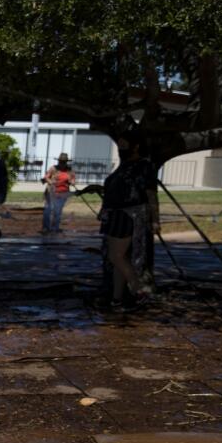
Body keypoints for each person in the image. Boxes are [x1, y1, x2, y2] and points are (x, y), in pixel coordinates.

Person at [78, 131, 158, 310]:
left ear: (135, 146)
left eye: (124, 145)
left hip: (129, 215)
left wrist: (155, 220)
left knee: (116, 256)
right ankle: (117, 299)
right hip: (115, 215)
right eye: (119, 145)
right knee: (117, 259)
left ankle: (139, 290)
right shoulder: (123, 166)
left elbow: (151, 193)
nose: (121, 148)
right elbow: (116, 189)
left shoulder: (143, 165)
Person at [42, 153, 75, 234]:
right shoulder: (53, 169)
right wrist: (51, 182)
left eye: (64, 162)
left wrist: (71, 182)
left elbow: (73, 180)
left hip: (63, 193)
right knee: (48, 210)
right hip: (51, 192)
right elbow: (46, 177)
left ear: (66, 162)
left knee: (57, 211)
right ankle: (46, 228)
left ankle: (55, 228)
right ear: (59, 161)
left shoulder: (69, 170)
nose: (62, 163)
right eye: (61, 162)